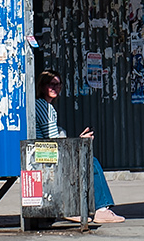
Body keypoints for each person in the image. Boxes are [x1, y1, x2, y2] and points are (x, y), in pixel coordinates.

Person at [34, 70, 124, 224]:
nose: (55, 88)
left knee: (85, 158)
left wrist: (77, 140)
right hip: (45, 154)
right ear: (42, 86)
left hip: (43, 152)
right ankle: (100, 209)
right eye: (51, 84)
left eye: (58, 84)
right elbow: (55, 141)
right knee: (90, 161)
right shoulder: (44, 107)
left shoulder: (40, 105)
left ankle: (81, 208)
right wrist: (79, 141)